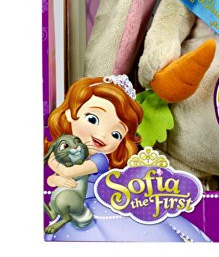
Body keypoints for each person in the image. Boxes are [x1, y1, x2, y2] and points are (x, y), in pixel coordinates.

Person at [44, 75, 209, 242]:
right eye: (92, 119)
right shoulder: (71, 152)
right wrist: (55, 178)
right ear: (70, 114)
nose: (102, 135)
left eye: (116, 134)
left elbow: (69, 172)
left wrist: (52, 160)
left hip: (97, 210)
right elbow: (53, 180)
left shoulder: (100, 159)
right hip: (70, 208)